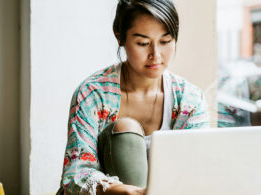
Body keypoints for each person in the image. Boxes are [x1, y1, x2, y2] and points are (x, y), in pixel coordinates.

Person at [57, 0, 209, 194]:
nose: (156, 55)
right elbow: (75, 176)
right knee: (125, 128)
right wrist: (125, 191)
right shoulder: (92, 94)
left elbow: (196, 170)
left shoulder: (190, 100)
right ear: (119, 36)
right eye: (143, 43)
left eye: (165, 41)